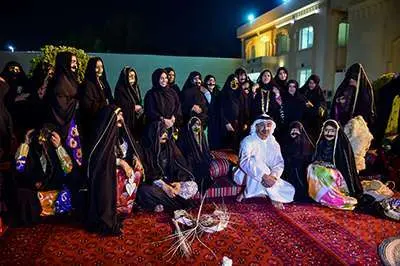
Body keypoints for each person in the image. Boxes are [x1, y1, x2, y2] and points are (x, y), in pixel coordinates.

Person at [86, 106, 143, 235]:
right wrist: (121, 163)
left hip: (123, 175)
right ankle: (111, 213)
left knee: (137, 172)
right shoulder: (102, 137)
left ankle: (122, 209)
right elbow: (101, 160)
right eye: (118, 115)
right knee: (115, 174)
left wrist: (135, 158)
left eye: (122, 114)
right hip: (107, 177)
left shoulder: (121, 134)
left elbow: (132, 149)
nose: (121, 118)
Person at [13, 125, 74, 225]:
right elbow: (19, 168)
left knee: (66, 193)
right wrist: (25, 144)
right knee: (23, 195)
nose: (42, 143)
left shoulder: (54, 151)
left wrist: (59, 147)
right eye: (39, 139)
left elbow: (68, 169)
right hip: (35, 193)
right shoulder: (31, 151)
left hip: (54, 192)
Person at [234, 115, 295, 209]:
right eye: (262, 125)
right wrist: (263, 176)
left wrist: (273, 176)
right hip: (243, 175)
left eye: (269, 125)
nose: (265, 128)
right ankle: (272, 196)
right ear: (256, 126)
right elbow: (244, 162)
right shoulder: (248, 141)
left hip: (268, 176)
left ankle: (255, 192)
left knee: (290, 190)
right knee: (255, 161)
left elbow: (278, 163)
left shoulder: (274, 143)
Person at [137, 122, 198, 212]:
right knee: (144, 191)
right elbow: (148, 175)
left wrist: (179, 184)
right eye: (161, 132)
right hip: (157, 186)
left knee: (193, 186)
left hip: (172, 183)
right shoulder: (145, 150)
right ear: (153, 133)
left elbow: (182, 167)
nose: (165, 134)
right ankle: (180, 204)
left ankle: (165, 205)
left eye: (165, 131)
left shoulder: (170, 147)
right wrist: (164, 186)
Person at [307, 119, 363, 210]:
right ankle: (319, 196)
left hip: (337, 172)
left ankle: (332, 198)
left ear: (336, 132)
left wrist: (330, 166)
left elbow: (343, 164)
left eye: (332, 131)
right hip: (323, 168)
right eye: (326, 130)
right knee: (311, 168)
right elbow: (316, 158)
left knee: (324, 172)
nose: (329, 133)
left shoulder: (341, 145)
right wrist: (319, 163)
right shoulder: (321, 143)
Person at [46, 52, 83, 168]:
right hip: (64, 127)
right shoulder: (61, 82)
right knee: (68, 160)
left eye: (75, 62)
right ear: (64, 63)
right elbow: (61, 109)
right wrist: (77, 102)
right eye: (72, 62)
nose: (75, 65)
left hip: (73, 124)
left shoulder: (71, 78)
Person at [331, 63, 376, 130]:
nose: (351, 80)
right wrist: (340, 102)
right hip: (344, 122)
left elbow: (367, 107)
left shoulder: (366, 89)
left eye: (354, 78)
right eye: (350, 78)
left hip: (359, 125)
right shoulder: (345, 87)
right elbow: (337, 102)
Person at [80, 57, 113, 144]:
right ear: (91, 68)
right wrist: (104, 104)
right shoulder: (87, 85)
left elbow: (110, 99)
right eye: (97, 67)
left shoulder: (103, 82)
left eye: (101, 67)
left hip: (106, 118)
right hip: (93, 122)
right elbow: (87, 106)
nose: (100, 70)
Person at [177, 117, 213, 194]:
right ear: (190, 126)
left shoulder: (201, 136)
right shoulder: (185, 137)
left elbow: (205, 151)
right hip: (189, 162)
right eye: (194, 125)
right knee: (200, 169)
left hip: (200, 161)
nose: (197, 127)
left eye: (198, 125)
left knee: (205, 165)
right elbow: (184, 154)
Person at [282, 121, 314, 201]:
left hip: (301, 172)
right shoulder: (286, 142)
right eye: (292, 130)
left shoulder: (306, 143)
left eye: (296, 130)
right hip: (288, 171)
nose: (294, 132)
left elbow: (309, 158)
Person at [219, 74, 249, 151]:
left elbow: (245, 109)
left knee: (239, 146)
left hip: (240, 124)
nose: (234, 83)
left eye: (236, 81)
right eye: (233, 81)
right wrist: (226, 123)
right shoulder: (223, 94)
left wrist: (245, 122)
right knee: (228, 147)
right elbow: (221, 110)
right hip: (228, 125)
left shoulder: (241, 94)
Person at [114, 67, 144, 139]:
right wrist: (133, 107)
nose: (132, 77)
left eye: (134, 75)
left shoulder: (136, 87)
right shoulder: (120, 89)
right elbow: (120, 104)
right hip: (126, 120)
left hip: (137, 119)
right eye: (130, 75)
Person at [299, 74, 327, 142]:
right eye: (310, 83)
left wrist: (312, 106)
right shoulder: (304, 90)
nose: (311, 85)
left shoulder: (319, 93)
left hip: (315, 121)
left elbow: (322, 108)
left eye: (314, 83)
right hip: (304, 119)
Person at [203, 75, 221, 149]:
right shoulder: (202, 93)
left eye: (213, 81)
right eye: (209, 80)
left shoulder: (218, 93)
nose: (211, 82)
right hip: (207, 120)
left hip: (216, 120)